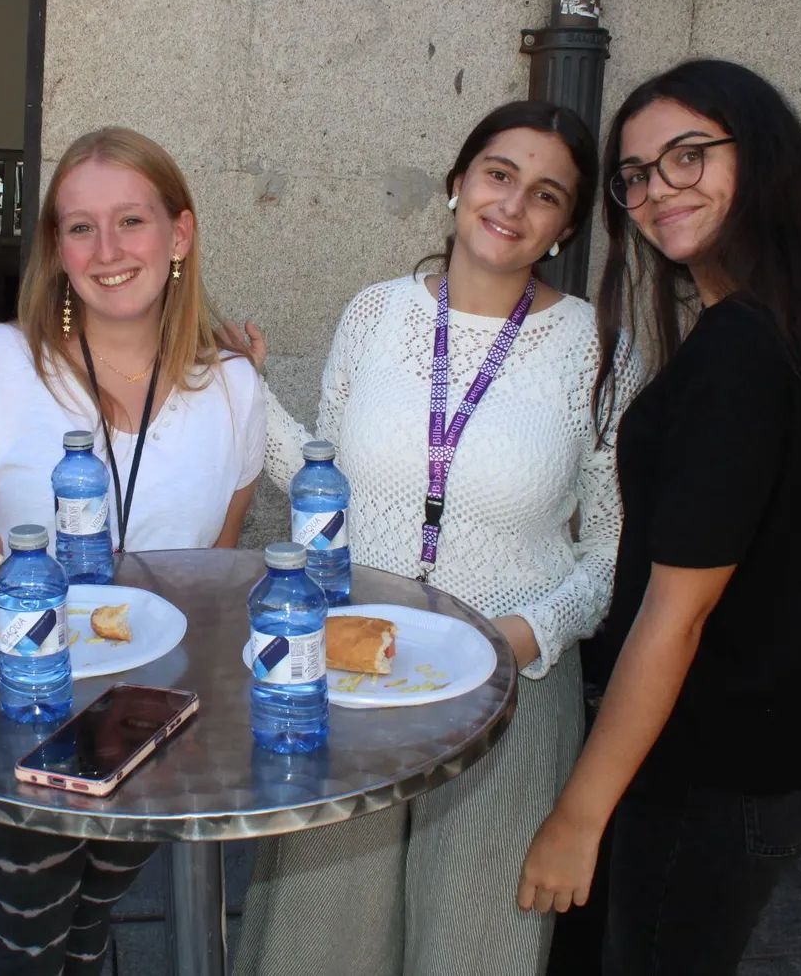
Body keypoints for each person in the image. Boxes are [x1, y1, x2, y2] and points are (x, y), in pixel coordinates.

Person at [517, 59, 801, 975]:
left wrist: (579, 816)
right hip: (780, 741)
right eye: (637, 175)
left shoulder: (742, 349)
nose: (658, 191)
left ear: (760, 154)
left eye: (688, 157)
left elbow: (679, 613)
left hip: (708, 764)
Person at [233, 100, 642, 976]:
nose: (513, 203)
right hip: (352, 671)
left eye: (545, 193)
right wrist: (246, 394)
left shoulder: (598, 348)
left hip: (512, 690)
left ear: (565, 227)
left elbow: (611, 552)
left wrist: (514, 638)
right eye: (499, 174)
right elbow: (324, 487)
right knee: (314, 940)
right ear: (458, 185)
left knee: (475, 945)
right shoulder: (376, 314)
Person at [0, 126, 265, 975]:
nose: (108, 250)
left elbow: (214, 572)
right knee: (31, 948)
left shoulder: (236, 389)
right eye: (80, 227)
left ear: (179, 234)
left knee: (93, 927)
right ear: (55, 249)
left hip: (150, 717)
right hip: (12, 707)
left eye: (131, 221)